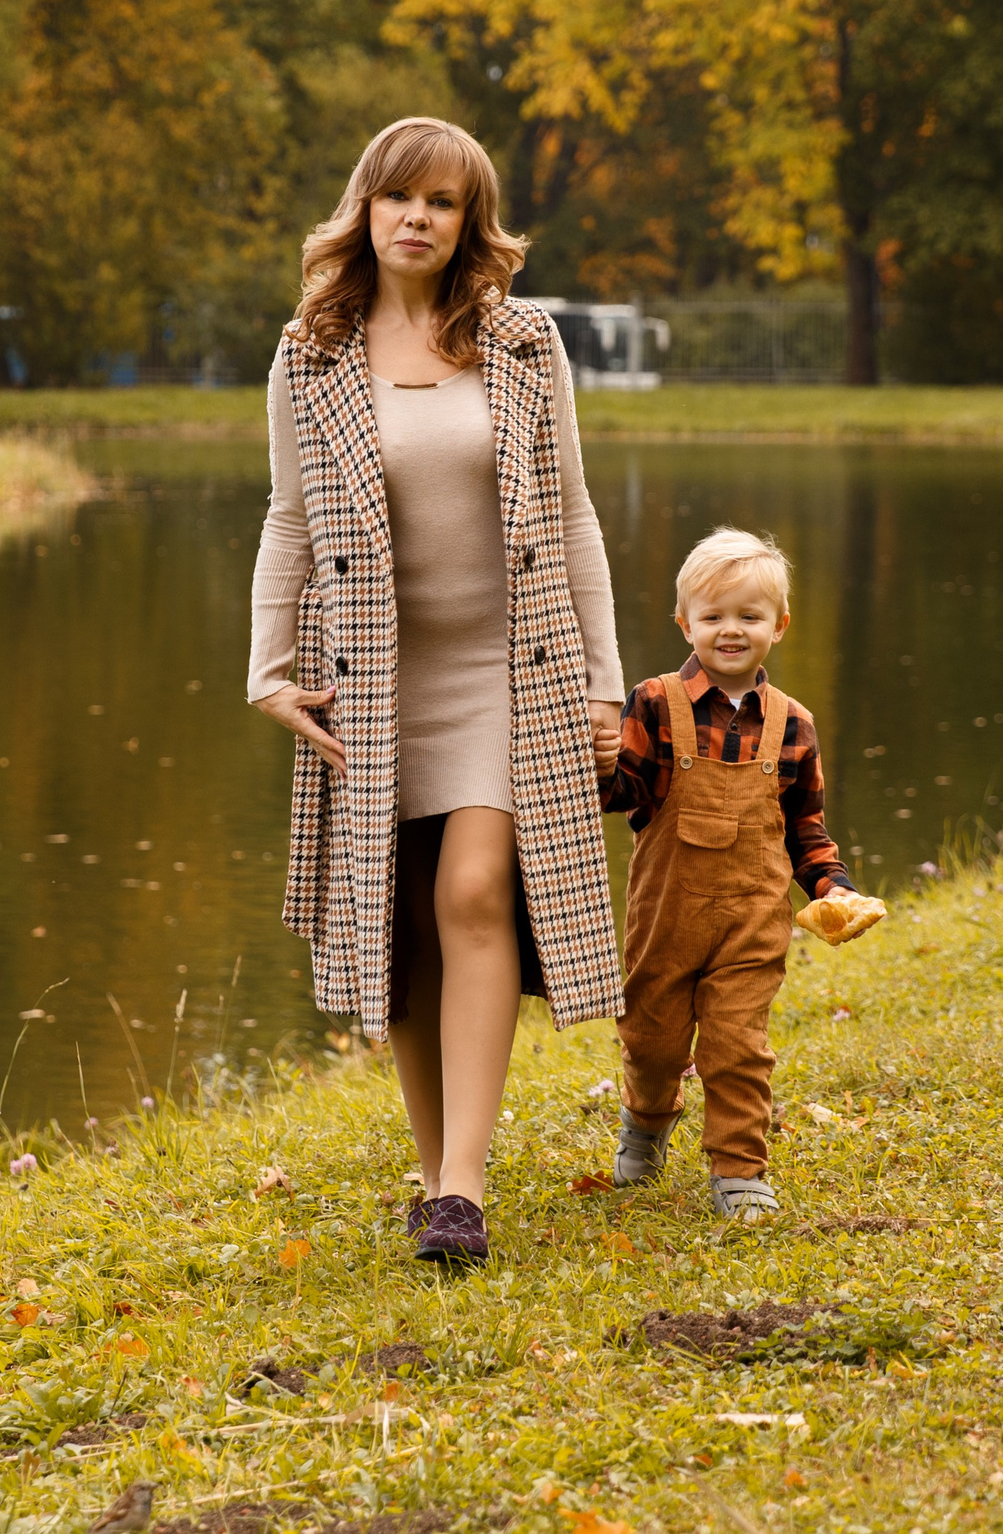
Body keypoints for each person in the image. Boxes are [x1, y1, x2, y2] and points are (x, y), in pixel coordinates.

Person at [247, 116, 625, 1266]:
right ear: (363, 210)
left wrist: (604, 687)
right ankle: (433, 1180)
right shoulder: (310, 351)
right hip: (370, 674)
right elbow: (289, 518)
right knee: (405, 924)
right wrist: (265, 669)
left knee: (472, 891)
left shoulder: (520, 342)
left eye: (442, 202)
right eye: (396, 196)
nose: (416, 217)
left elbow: (571, 514)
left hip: (510, 670)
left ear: (471, 224)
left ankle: (464, 1182)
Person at [602, 528, 886, 1218]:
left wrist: (833, 887)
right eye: (714, 616)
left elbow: (804, 828)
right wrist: (598, 757)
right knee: (653, 1041)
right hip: (666, 919)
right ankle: (647, 1119)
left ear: (779, 626)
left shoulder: (794, 726)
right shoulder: (652, 704)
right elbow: (619, 797)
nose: (731, 630)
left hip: (752, 924)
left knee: (739, 1046)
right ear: (685, 623)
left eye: (749, 616)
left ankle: (738, 1170)